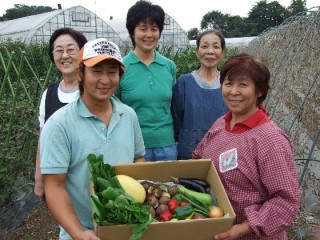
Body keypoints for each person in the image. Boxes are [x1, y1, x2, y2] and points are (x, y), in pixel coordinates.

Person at [40, 38, 145, 240]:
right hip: (81, 231)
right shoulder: (59, 124)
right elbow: (54, 185)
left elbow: (138, 159)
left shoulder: (129, 115)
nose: (105, 80)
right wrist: (78, 232)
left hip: (125, 227)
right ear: (80, 73)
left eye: (112, 72)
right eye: (96, 71)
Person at [193, 53, 300, 239]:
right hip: (217, 226)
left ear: (260, 91)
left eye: (243, 85)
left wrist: (242, 228)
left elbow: (286, 201)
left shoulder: (270, 140)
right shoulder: (221, 124)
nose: (233, 91)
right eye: (228, 83)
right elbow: (199, 160)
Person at [115, 0, 177, 162]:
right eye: (143, 29)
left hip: (167, 145)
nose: (149, 35)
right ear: (132, 32)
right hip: (133, 145)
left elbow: (171, 106)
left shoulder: (169, 66)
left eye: (154, 29)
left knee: (167, 187)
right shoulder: (121, 67)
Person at [34, 27, 87, 200]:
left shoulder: (92, 90)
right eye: (58, 50)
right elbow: (44, 139)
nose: (64, 55)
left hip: (88, 177)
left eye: (71, 49)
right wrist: (39, 178)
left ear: (82, 52)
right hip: (58, 180)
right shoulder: (49, 94)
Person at [171, 30, 228, 160]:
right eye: (204, 46)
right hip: (188, 155)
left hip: (222, 154)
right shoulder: (184, 83)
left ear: (222, 52)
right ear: (197, 51)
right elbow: (176, 122)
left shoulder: (228, 84)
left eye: (216, 46)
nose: (210, 51)